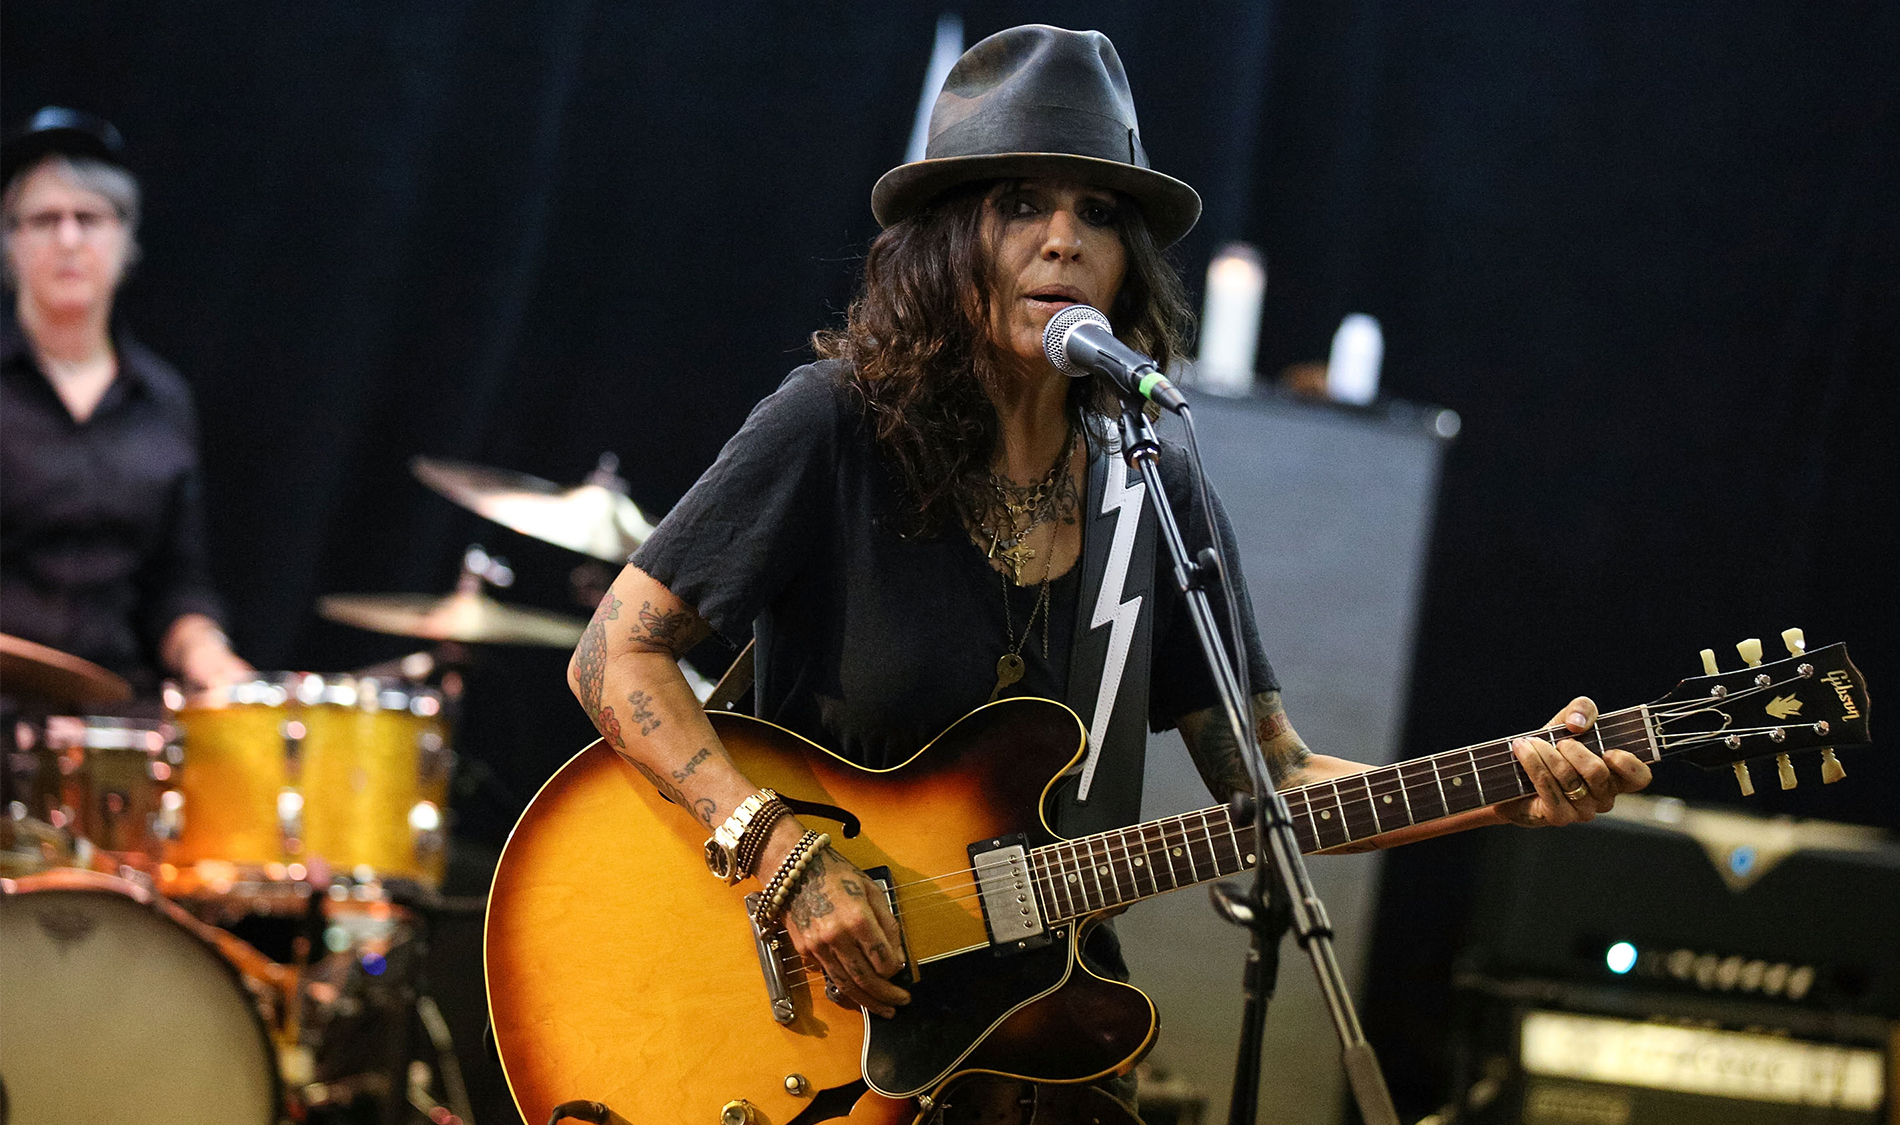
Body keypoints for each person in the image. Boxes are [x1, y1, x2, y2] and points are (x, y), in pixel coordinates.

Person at [569, 25, 1652, 1121]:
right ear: (950, 239)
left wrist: (1506, 785)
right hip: (823, 1028)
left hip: (1047, 1039)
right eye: (1021, 205)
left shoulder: (1151, 482)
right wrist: (785, 855)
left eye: (1096, 213)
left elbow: (1270, 787)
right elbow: (615, 655)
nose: (1062, 242)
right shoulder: (836, 426)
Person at [0, 107, 250, 696]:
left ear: (124, 238)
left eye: (89, 218)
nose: (68, 239)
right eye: (43, 219)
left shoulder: (165, 401)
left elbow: (177, 584)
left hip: (113, 717)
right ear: (11, 243)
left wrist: (206, 651)